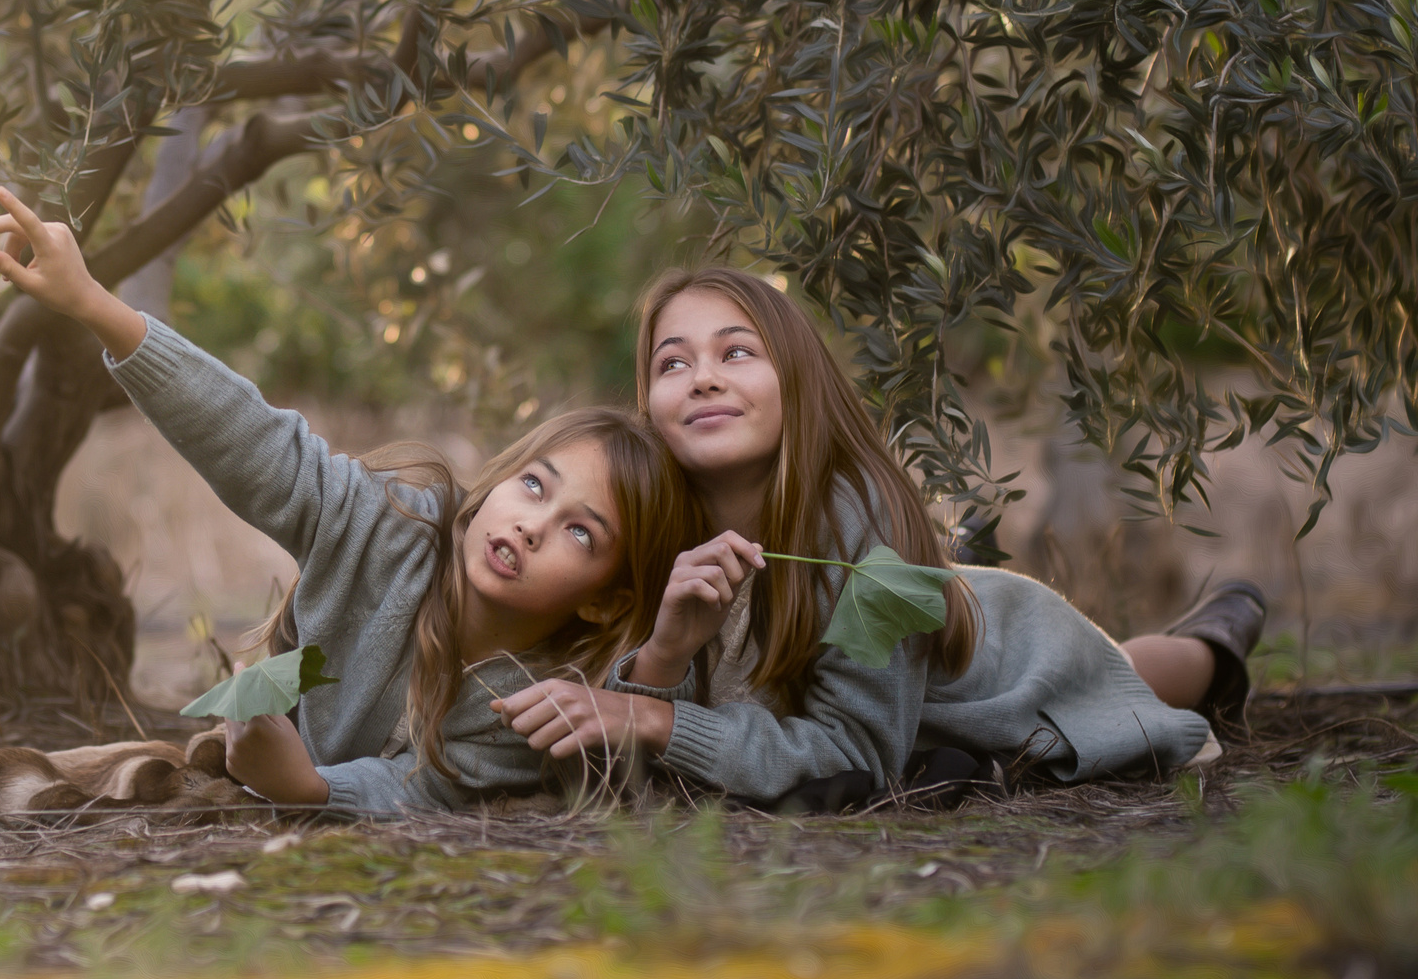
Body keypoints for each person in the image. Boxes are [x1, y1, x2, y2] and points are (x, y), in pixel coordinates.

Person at [0, 188, 704, 812]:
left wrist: (311, 787)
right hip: (259, 743)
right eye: (535, 486)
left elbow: (429, 787)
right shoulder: (385, 526)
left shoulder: (545, 703)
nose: (533, 525)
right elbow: (252, 441)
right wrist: (92, 301)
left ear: (607, 602)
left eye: (581, 532)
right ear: (502, 479)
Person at [495, 265, 1265, 806]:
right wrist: (658, 666)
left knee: (1119, 680)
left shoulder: (859, 528)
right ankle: (1208, 633)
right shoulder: (657, 520)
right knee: (1127, 665)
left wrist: (653, 716)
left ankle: (1216, 638)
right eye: (673, 362)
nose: (702, 376)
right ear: (650, 399)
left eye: (736, 351)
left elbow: (858, 754)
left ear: (796, 377)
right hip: (945, 648)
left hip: (1016, 655)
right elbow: (646, 747)